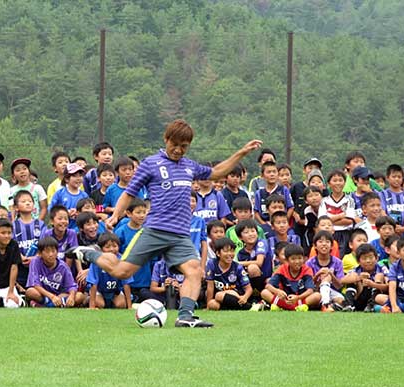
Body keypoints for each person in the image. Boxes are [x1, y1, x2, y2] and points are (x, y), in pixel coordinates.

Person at [68, 119, 262, 327]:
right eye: (174, 144)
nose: (178, 150)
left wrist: (241, 152)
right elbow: (130, 192)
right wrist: (116, 215)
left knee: (195, 271)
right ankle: (88, 253)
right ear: (166, 139)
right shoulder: (151, 163)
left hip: (179, 235)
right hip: (154, 231)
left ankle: (185, 317)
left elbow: (217, 172)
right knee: (121, 271)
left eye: (184, 146)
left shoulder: (189, 166)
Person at [26, 236, 84, 308]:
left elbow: (71, 286)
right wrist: (52, 297)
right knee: (30, 291)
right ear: (40, 253)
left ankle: (46, 305)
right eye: (47, 251)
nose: (51, 254)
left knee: (80, 296)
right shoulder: (35, 261)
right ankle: (53, 304)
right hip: (43, 295)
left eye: (53, 251)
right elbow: (35, 284)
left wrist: (71, 297)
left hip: (60, 295)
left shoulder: (63, 266)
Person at [261, 243, 321, 311]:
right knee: (264, 292)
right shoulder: (282, 269)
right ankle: (296, 307)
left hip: (300, 299)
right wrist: (277, 291)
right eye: (293, 259)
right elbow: (268, 286)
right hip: (285, 299)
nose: (297, 261)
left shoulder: (307, 270)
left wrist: (298, 297)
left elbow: (310, 290)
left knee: (317, 296)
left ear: (303, 259)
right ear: (287, 260)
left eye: (299, 258)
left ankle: (282, 307)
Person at [0, 218, 24, 307]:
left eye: (9, 233)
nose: (7, 236)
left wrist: (11, 291)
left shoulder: (14, 245)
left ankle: (21, 300)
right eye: (3, 233)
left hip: (8, 286)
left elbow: (14, 269)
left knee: (12, 305)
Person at [86, 233, 132, 309]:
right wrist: (92, 306)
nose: (111, 249)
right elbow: (93, 283)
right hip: (99, 290)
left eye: (115, 246)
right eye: (107, 247)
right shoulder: (97, 261)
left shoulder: (122, 261)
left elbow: (126, 284)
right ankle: (87, 299)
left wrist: (129, 306)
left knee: (121, 304)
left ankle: (112, 303)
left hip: (115, 291)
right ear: (101, 249)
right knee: (100, 304)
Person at [205, 237, 253, 311]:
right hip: (220, 298)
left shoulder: (237, 267)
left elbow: (249, 288)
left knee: (219, 295)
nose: (230, 254)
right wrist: (208, 305)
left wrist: (244, 297)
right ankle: (232, 307)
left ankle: (248, 307)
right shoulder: (212, 264)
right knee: (213, 304)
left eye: (232, 251)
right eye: (226, 251)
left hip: (236, 295)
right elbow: (210, 286)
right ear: (218, 253)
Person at [341, 243, 388, 312]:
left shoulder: (382, 268)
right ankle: (349, 305)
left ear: (376, 258)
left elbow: (388, 286)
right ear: (358, 261)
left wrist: (373, 284)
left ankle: (371, 306)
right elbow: (342, 280)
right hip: (360, 297)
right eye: (364, 258)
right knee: (352, 278)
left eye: (371, 257)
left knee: (379, 276)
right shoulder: (357, 269)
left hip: (375, 297)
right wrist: (358, 278)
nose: (368, 261)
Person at [305, 231, 345, 312]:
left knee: (341, 301)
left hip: (332, 291)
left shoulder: (338, 262)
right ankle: (326, 305)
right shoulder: (309, 263)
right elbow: (308, 284)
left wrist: (331, 274)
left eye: (327, 242)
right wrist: (318, 274)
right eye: (320, 241)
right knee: (326, 278)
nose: (324, 244)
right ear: (314, 246)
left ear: (331, 246)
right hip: (316, 292)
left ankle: (326, 304)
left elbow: (339, 285)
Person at [380, 164, 404, 235]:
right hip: (389, 231)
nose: (397, 179)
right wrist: (392, 226)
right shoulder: (383, 194)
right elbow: (382, 211)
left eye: (399, 177)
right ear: (387, 178)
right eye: (394, 176)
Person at [384, 236, 404, 313]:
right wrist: (394, 306)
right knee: (384, 300)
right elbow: (392, 287)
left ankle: (384, 308)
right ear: (398, 252)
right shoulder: (394, 267)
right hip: (400, 298)